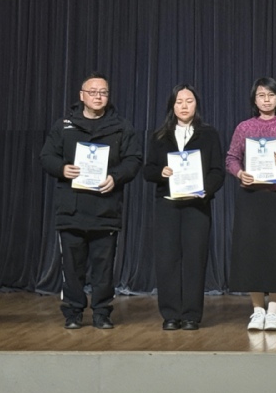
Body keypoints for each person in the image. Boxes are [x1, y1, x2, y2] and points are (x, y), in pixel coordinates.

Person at [40, 72, 142, 329]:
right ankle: (73, 313)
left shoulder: (121, 126)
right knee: (72, 267)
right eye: (93, 92)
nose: (98, 97)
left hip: (105, 208)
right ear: (82, 96)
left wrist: (116, 177)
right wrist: (62, 169)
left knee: (103, 267)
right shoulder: (64, 125)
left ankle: (102, 312)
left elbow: (133, 159)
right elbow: (47, 156)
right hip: (71, 209)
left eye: (103, 92)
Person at [226, 77, 276, 332]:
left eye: (271, 95)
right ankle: (257, 310)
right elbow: (231, 158)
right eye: (261, 95)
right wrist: (240, 173)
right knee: (251, 253)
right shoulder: (244, 127)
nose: (266, 99)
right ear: (254, 99)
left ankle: (273, 312)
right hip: (250, 196)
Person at [142, 84, 224, 331]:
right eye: (179, 102)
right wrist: (162, 172)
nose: (184, 106)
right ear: (172, 106)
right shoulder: (159, 136)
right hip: (167, 205)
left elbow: (217, 171)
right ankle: (170, 314)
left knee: (194, 260)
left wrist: (205, 190)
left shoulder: (208, 134)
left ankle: (191, 315)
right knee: (167, 259)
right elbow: (148, 170)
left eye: (189, 101)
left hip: (197, 206)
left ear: (196, 104)